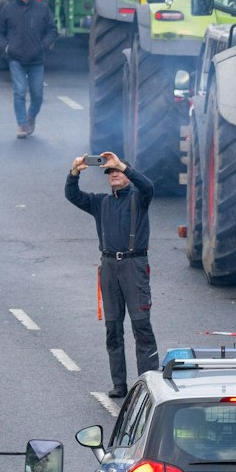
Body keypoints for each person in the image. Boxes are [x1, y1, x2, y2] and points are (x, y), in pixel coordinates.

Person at [65, 151, 157, 397]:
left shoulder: (139, 198)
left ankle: (148, 384)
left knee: (141, 326)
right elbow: (72, 195)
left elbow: (148, 186)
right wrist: (74, 172)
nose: (113, 174)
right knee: (113, 329)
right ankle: (119, 384)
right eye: (110, 172)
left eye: (117, 170)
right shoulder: (101, 202)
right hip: (108, 268)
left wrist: (123, 166)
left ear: (127, 175)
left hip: (134, 266)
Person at [3, 0, 55, 137]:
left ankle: (30, 116)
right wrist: (6, 47)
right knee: (19, 92)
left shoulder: (42, 8)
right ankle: (22, 125)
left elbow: (52, 30)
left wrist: (43, 46)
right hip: (16, 59)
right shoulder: (8, 9)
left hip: (36, 60)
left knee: (37, 95)